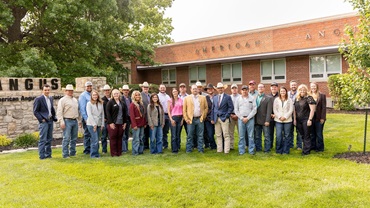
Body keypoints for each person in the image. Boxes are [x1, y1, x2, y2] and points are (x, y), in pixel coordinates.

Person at [33, 84, 57, 160]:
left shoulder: (50, 98)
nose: (47, 91)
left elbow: (51, 109)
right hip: (44, 121)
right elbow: (35, 111)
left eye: (48, 90)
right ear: (42, 90)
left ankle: (48, 155)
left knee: (49, 139)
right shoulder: (38, 99)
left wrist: (54, 117)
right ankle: (42, 156)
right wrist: (41, 119)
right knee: (43, 139)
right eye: (45, 90)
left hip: (50, 120)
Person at [183, 84, 208, 153]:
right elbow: (184, 110)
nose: (195, 90)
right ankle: (189, 149)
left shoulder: (203, 98)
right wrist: (186, 119)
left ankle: (200, 149)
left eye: (196, 89)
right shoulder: (186, 98)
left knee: (200, 135)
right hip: (191, 120)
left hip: (200, 119)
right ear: (191, 90)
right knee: (190, 135)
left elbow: (206, 108)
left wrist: (203, 116)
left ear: (198, 90)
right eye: (193, 89)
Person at [57, 84, 80, 158]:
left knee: (74, 138)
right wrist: (61, 121)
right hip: (67, 120)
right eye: (69, 90)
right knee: (66, 138)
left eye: (71, 90)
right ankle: (65, 154)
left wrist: (79, 120)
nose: (70, 92)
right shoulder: (62, 100)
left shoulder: (75, 100)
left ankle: (72, 152)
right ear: (65, 91)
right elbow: (59, 111)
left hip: (74, 120)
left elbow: (77, 111)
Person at [294, 84, 316, 156]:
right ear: (299, 91)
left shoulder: (309, 98)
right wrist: (294, 119)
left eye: (304, 90)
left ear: (306, 90)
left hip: (306, 119)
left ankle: (306, 151)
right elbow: (294, 110)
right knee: (302, 135)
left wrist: (310, 119)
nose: (302, 91)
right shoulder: (297, 99)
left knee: (307, 135)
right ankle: (306, 147)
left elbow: (312, 110)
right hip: (298, 120)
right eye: (301, 90)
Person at [211, 82, 234, 154]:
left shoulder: (227, 97)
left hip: (224, 118)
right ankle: (219, 150)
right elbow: (213, 109)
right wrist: (212, 118)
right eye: (218, 88)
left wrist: (227, 115)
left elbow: (231, 107)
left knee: (226, 135)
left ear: (223, 89)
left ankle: (226, 150)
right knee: (218, 134)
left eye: (221, 88)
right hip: (216, 118)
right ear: (217, 89)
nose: (220, 89)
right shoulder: (215, 98)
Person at [234, 85, 257, 155]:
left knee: (250, 136)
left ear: (248, 90)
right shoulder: (238, 99)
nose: (244, 91)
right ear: (241, 91)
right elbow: (236, 110)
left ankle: (251, 151)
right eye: (243, 90)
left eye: (246, 90)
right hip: (241, 119)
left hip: (250, 119)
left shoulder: (252, 98)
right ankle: (241, 151)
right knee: (241, 136)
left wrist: (248, 118)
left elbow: (254, 109)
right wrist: (241, 118)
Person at [106, 89, 127, 157]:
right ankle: (114, 153)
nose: (116, 95)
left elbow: (125, 113)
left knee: (119, 138)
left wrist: (125, 123)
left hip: (121, 123)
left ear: (119, 94)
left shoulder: (122, 103)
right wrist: (111, 123)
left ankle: (119, 152)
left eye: (117, 93)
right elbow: (108, 113)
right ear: (112, 94)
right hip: (113, 124)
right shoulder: (110, 102)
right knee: (113, 138)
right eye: (114, 94)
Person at [273, 86, 294, 154]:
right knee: (278, 135)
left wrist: (285, 117)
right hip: (278, 120)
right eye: (281, 91)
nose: (282, 92)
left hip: (287, 120)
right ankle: (278, 150)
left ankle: (286, 150)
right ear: (279, 92)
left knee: (287, 135)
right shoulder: (276, 100)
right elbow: (275, 109)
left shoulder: (289, 100)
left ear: (286, 92)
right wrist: (279, 117)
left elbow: (291, 109)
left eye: (284, 91)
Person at [254, 83, 273, 152]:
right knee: (257, 136)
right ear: (257, 89)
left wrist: (267, 120)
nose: (260, 88)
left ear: (264, 88)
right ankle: (258, 149)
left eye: (262, 87)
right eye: (259, 87)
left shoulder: (268, 98)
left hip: (265, 120)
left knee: (267, 136)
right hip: (256, 120)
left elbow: (269, 111)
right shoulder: (254, 97)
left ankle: (267, 149)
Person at [86, 90, 104, 158]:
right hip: (91, 124)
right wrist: (94, 125)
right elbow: (89, 115)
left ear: (98, 96)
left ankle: (97, 153)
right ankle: (93, 155)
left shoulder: (100, 103)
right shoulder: (89, 104)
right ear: (91, 96)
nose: (95, 96)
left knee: (97, 139)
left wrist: (102, 124)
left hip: (99, 123)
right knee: (95, 139)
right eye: (93, 95)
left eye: (96, 95)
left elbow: (102, 114)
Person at [309, 82, 326, 152]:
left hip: (319, 117)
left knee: (319, 133)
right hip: (311, 116)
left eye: (314, 86)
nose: (313, 88)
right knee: (312, 133)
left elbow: (324, 107)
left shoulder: (322, 95)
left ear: (317, 87)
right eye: (312, 86)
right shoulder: (308, 95)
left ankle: (320, 148)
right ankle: (313, 146)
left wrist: (323, 118)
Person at [130, 90, 147, 155]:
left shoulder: (141, 104)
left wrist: (145, 123)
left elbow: (143, 114)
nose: (137, 96)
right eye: (136, 95)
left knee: (141, 138)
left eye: (138, 95)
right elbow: (132, 116)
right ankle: (135, 152)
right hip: (136, 124)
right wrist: (134, 125)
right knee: (136, 139)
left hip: (142, 123)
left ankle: (140, 151)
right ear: (133, 96)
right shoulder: (132, 105)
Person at [168, 88, 183, 153]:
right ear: (172, 93)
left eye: (176, 91)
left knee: (178, 134)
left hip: (180, 117)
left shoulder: (181, 100)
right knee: (174, 134)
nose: (175, 93)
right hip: (173, 118)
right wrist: (171, 119)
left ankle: (177, 146)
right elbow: (168, 111)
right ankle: (174, 149)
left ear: (178, 92)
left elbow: (183, 110)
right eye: (173, 92)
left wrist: (183, 119)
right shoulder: (170, 100)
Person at [79, 81, 93, 155]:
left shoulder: (92, 94)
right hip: (87, 118)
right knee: (87, 134)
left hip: (93, 118)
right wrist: (86, 119)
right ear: (85, 87)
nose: (89, 87)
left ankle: (92, 148)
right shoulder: (83, 95)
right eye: (88, 86)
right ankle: (87, 150)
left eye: (90, 86)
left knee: (92, 134)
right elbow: (82, 108)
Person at [288, 80, 302, 150]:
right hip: (289, 115)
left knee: (299, 131)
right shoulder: (287, 94)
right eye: (292, 85)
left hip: (298, 115)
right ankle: (290, 145)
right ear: (290, 86)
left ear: (297, 86)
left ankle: (299, 145)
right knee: (290, 131)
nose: (293, 86)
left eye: (294, 85)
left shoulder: (299, 94)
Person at [204, 83, 217, 150]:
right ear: (207, 90)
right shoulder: (205, 98)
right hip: (208, 119)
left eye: (211, 89)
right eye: (208, 89)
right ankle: (213, 146)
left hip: (217, 118)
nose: (210, 90)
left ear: (213, 90)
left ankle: (221, 146)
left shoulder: (217, 97)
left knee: (219, 134)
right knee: (210, 134)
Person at [158, 84, 171, 149]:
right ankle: (161, 144)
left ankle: (165, 145)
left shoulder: (168, 96)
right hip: (161, 115)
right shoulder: (157, 96)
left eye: (163, 88)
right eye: (161, 88)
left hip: (167, 115)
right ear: (159, 89)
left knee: (166, 131)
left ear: (165, 88)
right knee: (161, 131)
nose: (162, 89)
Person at [140, 81, 151, 150]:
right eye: (144, 87)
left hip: (150, 116)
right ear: (142, 88)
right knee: (144, 132)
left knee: (148, 132)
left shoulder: (150, 95)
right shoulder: (140, 95)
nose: (145, 88)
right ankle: (144, 146)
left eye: (147, 87)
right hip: (143, 116)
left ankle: (147, 145)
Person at [121, 84, 132, 153]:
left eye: (127, 90)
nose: (126, 91)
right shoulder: (121, 98)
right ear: (122, 91)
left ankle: (126, 148)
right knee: (123, 134)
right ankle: (124, 149)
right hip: (123, 118)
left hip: (129, 118)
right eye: (124, 90)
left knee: (127, 133)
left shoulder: (130, 98)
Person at [229, 84, 240, 150]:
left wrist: (238, 115)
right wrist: (231, 115)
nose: (234, 89)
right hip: (231, 116)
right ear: (231, 90)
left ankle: (241, 146)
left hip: (239, 116)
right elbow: (227, 107)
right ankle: (231, 146)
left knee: (241, 132)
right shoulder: (229, 97)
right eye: (233, 88)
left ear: (237, 89)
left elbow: (242, 107)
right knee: (231, 132)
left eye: (235, 88)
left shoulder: (241, 97)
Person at [101, 84, 111, 154]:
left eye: (108, 90)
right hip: (105, 120)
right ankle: (104, 150)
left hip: (111, 121)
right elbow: (100, 110)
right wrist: (103, 118)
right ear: (104, 91)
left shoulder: (112, 99)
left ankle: (112, 149)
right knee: (104, 136)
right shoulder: (102, 100)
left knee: (111, 136)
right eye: (105, 90)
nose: (107, 91)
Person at [269, 82, 279, 149]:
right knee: (270, 133)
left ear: (277, 88)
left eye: (275, 87)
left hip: (278, 117)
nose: (274, 88)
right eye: (272, 87)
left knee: (278, 133)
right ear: (270, 88)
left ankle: (278, 146)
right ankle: (270, 145)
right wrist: (270, 114)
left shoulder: (280, 96)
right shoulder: (267, 96)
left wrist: (276, 114)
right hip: (270, 117)